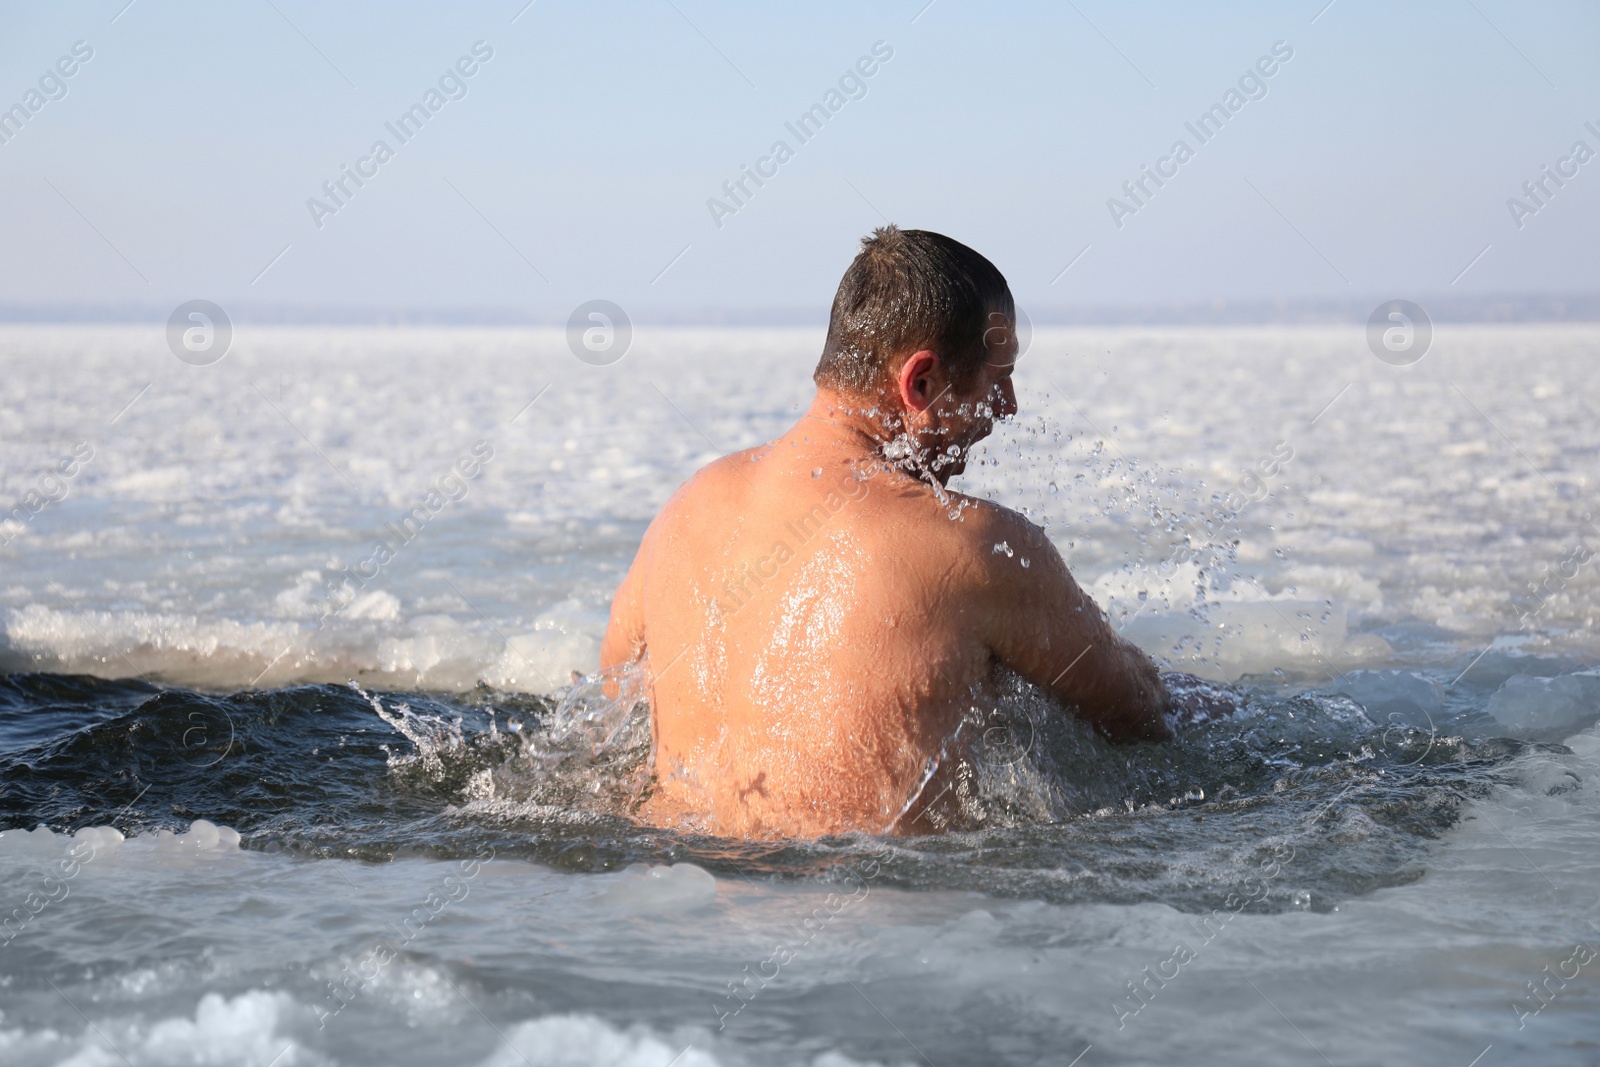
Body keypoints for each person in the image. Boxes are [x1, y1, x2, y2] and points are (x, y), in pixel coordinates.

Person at [601, 225, 1173, 839]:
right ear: (920, 382)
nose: (1007, 407)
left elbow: (612, 703)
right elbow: (1135, 713)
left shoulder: (683, 511)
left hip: (688, 897)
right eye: (996, 378)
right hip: (876, 911)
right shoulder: (972, 545)